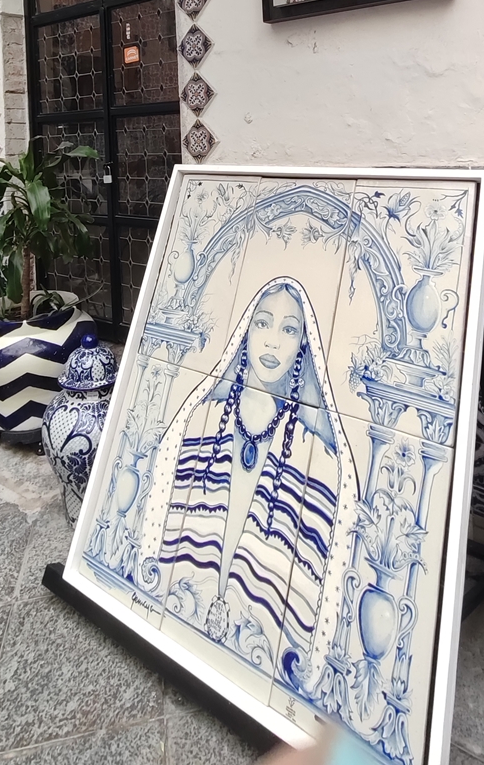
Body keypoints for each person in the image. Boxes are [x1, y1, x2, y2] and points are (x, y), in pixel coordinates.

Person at [143, 278, 357, 678]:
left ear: (304, 343)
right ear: (245, 329)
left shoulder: (316, 456)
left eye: (289, 329)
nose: (272, 341)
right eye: (263, 323)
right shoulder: (203, 420)